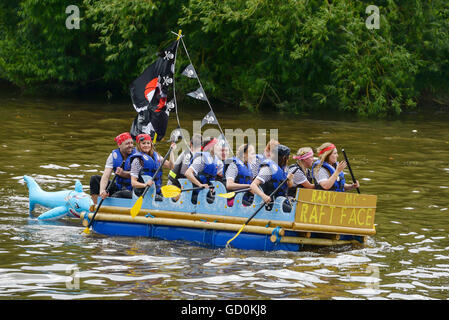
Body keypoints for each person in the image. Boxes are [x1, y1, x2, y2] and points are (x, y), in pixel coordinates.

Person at [89, 132, 136, 204]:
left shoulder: (137, 156)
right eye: (127, 143)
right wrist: (102, 190)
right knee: (94, 178)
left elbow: (137, 175)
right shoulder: (113, 156)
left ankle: (110, 203)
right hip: (119, 187)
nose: (131, 146)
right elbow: (106, 176)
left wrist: (123, 173)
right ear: (119, 144)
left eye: (131, 143)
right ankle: (95, 205)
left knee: (120, 194)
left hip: (134, 190)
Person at [129, 133, 175, 199]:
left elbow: (171, 166)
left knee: (172, 198)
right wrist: (145, 185)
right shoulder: (137, 160)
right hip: (143, 193)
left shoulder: (157, 156)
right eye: (143, 143)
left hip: (156, 192)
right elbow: (133, 183)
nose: (146, 145)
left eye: (148, 143)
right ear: (139, 145)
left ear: (151, 144)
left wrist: (171, 150)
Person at [250, 144, 293, 212]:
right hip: (269, 203)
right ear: (284, 158)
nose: (288, 160)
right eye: (288, 158)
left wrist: (289, 179)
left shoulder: (284, 169)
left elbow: (290, 186)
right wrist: (263, 196)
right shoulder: (267, 169)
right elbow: (253, 185)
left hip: (280, 201)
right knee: (292, 211)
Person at [184, 136, 220, 204]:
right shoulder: (201, 159)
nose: (219, 147)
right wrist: (200, 184)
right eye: (217, 145)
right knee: (215, 203)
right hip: (196, 193)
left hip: (207, 193)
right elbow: (188, 173)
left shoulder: (215, 160)